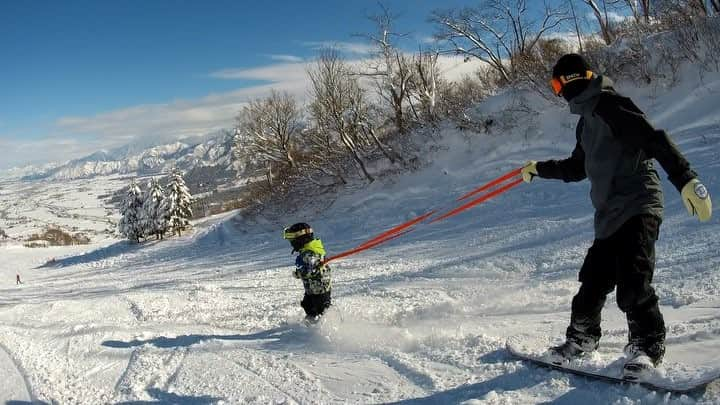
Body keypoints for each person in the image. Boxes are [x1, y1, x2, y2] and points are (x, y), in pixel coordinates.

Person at [521, 54, 712, 377]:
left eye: (555, 84)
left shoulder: (611, 105)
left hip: (639, 204)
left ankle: (647, 347)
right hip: (609, 214)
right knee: (592, 283)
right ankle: (581, 340)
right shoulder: (587, 122)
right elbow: (577, 167)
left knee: (633, 281)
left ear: (568, 81)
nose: (557, 93)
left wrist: (686, 179)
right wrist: (539, 169)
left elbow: (653, 140)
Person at [283, 223, 332, 323]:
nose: (291, 242)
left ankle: (330, 323)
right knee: (307, 304)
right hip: (312, 287)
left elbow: (312, 270)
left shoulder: (310, 252)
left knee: (321, 307)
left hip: (320, 288)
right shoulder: (306, 250)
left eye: (292, 239)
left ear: (301, 238)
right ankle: (311, 320)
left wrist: (299, 273)